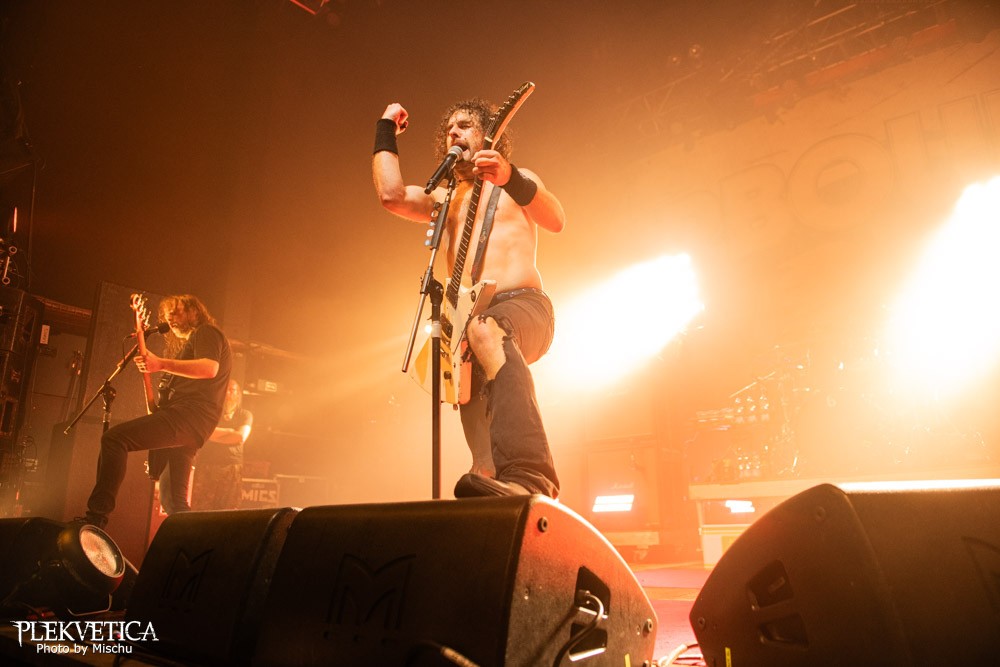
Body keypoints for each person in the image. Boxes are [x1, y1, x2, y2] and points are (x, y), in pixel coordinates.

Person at [373, 97, 565, 498]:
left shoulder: (517, 180)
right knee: (483, 470)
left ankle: (533, 473)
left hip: (525, 307)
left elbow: (556, 220)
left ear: (488, 134)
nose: (453, 133)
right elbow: (391, 195)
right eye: (449, 129)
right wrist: (385, 128)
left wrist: (509, 176)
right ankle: (506, 493)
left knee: (485, 329)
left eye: (464, 125)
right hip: (469, 329)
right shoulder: (446, 199)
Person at [82, 294, 232, 528]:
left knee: (114, 439)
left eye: (176, 311)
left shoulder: (207, 332)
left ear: (195, 311)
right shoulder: (190, 346)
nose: (170, 317)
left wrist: (160, 363)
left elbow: (209, 368)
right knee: (173, 502)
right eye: (167, 314)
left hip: (187, 417)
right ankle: (189, 545)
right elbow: (157, 408)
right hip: (191, 424)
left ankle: (96, 517)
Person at [190, 379, 252, 510]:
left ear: (238, 394)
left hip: (232, 467)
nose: (228, 393)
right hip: (207, 465)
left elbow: (240, 437)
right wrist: (229, 432)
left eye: (232, 390)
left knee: (228, 509)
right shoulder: (210, 413)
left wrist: (212, 435)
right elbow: (202, 432)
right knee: (201, 508)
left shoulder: (245, 415)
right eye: (225, 390)